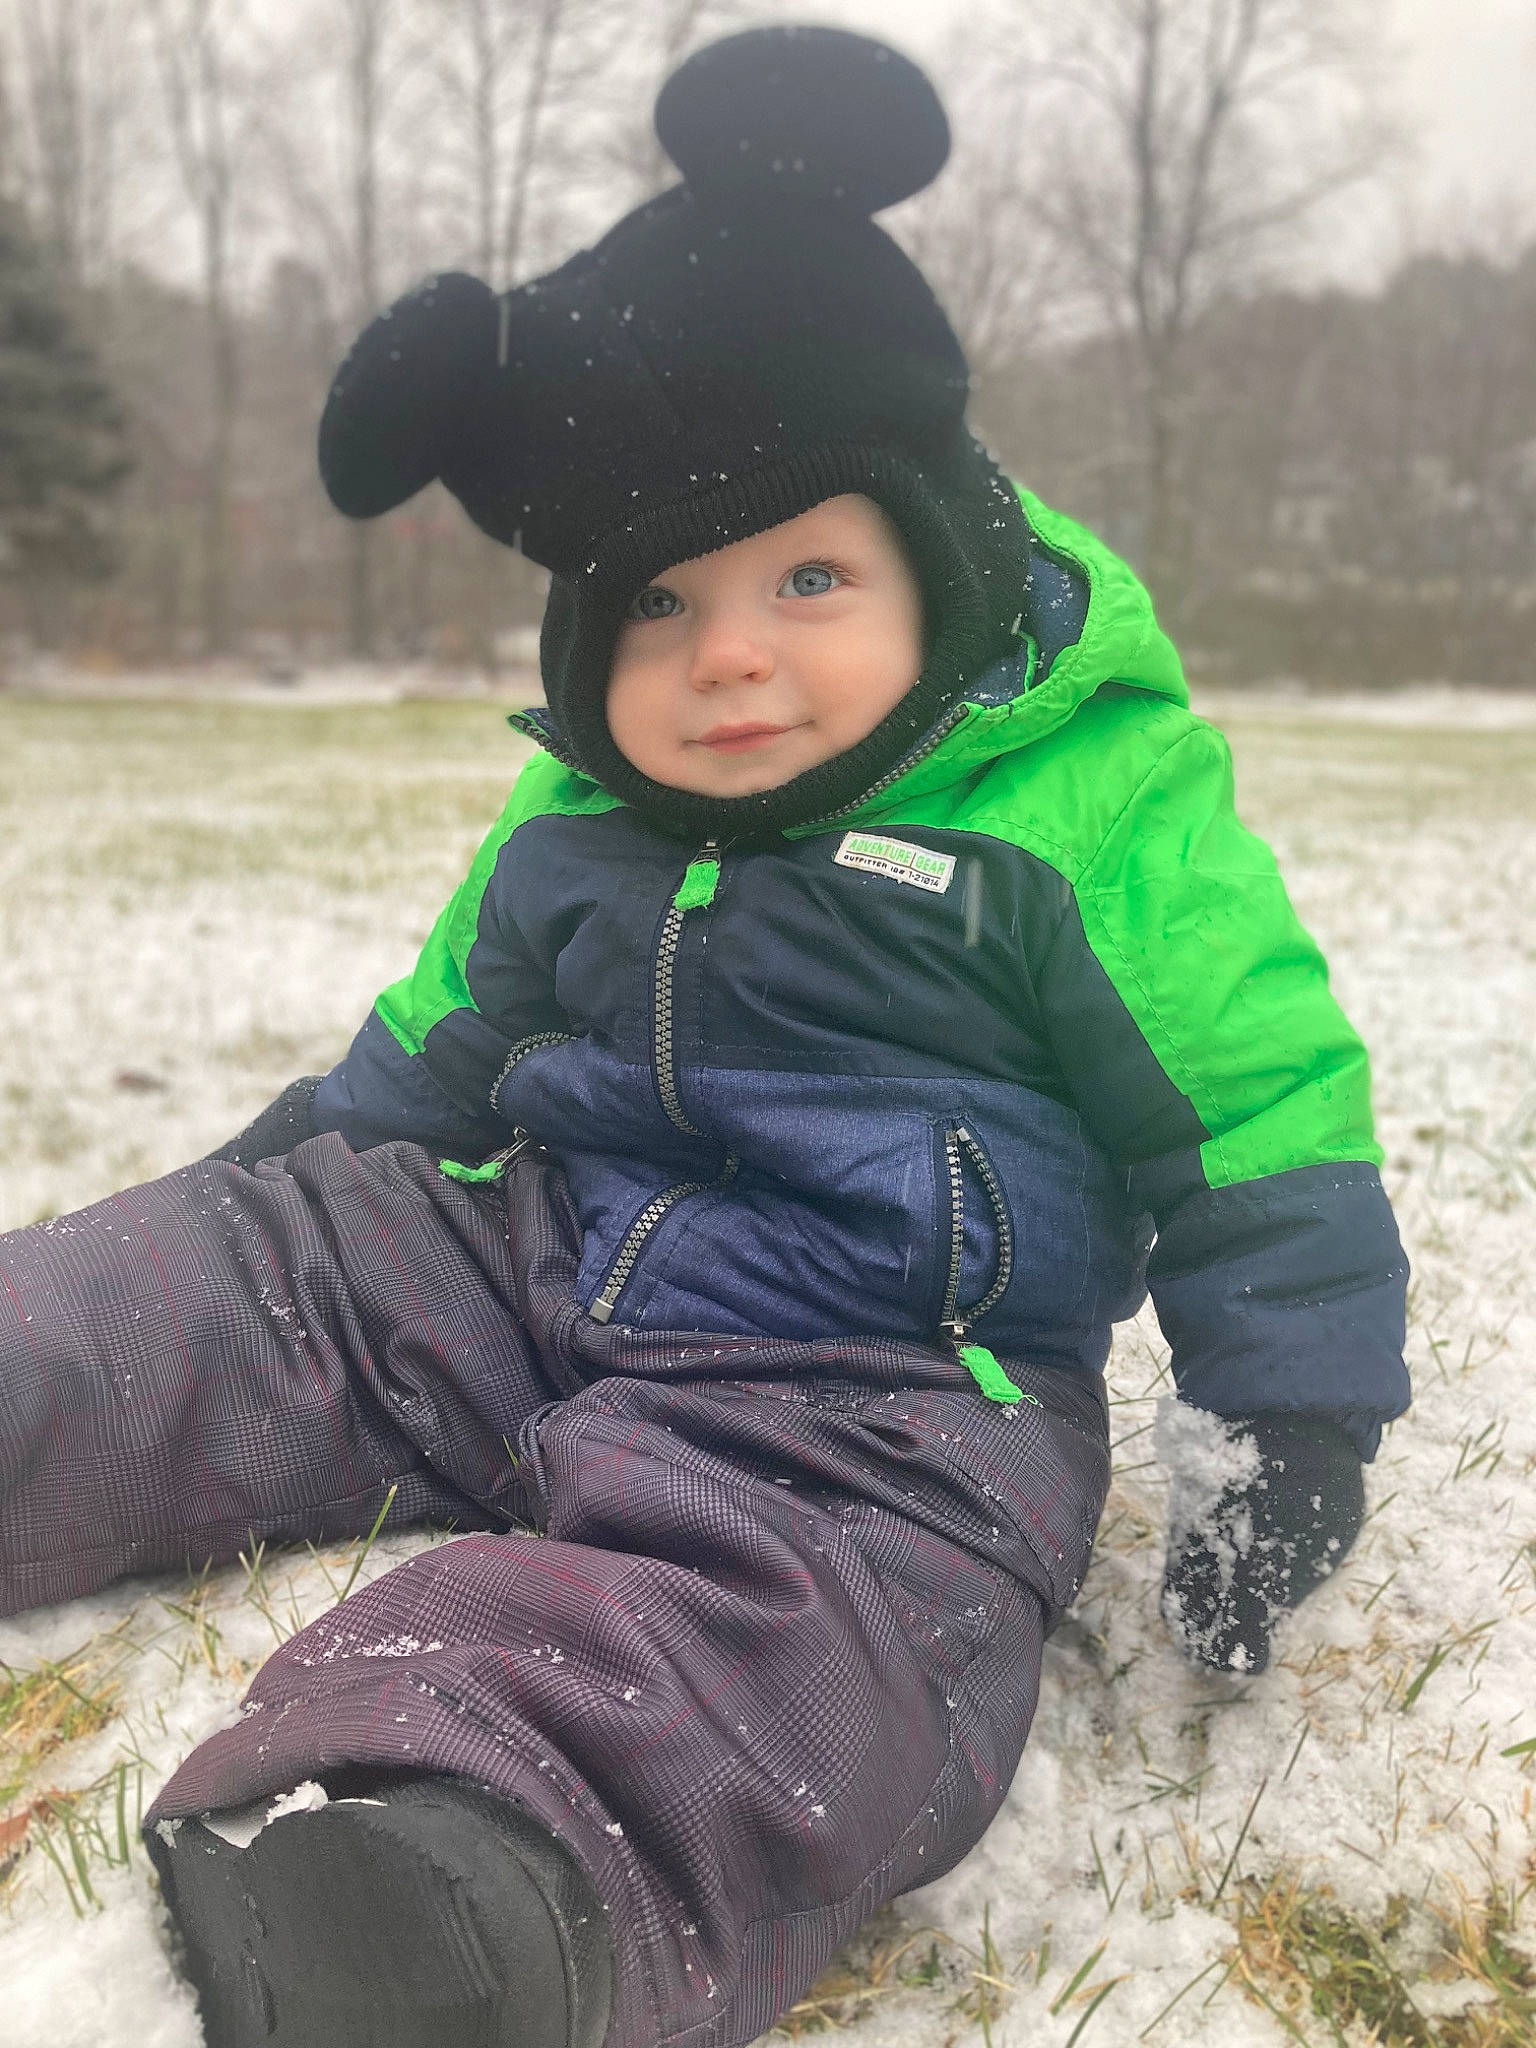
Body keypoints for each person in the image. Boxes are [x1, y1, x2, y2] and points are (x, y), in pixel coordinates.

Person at [0, 26, 1410, 2048]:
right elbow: (437, 1041)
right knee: (266, 1274)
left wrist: (1287, 1417)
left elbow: (1258, 1104)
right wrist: (252, 1204)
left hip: (877, 1366)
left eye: (809, 575)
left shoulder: (1081, 806)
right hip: (523, 1254)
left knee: (826, 1619)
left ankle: (465, 1859)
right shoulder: (582, 809)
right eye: (659, 604)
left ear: (940, 553)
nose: (730, 653)